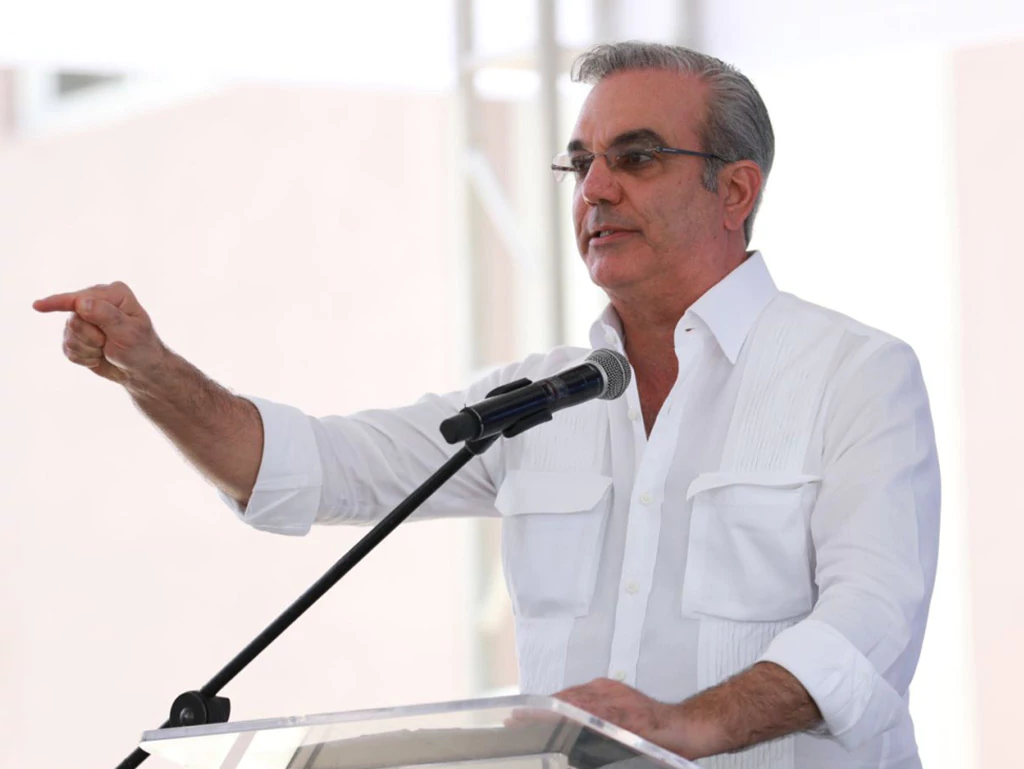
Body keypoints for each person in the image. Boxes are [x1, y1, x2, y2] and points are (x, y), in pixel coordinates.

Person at [33, 42, 939, 769]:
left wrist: (686, 723)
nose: (596, 188)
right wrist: (155, 373)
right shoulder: (538, 400)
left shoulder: (855, 374)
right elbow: (305, 469)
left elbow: (870, 627)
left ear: (735, 189)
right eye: (579, 163)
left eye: (636, 157)